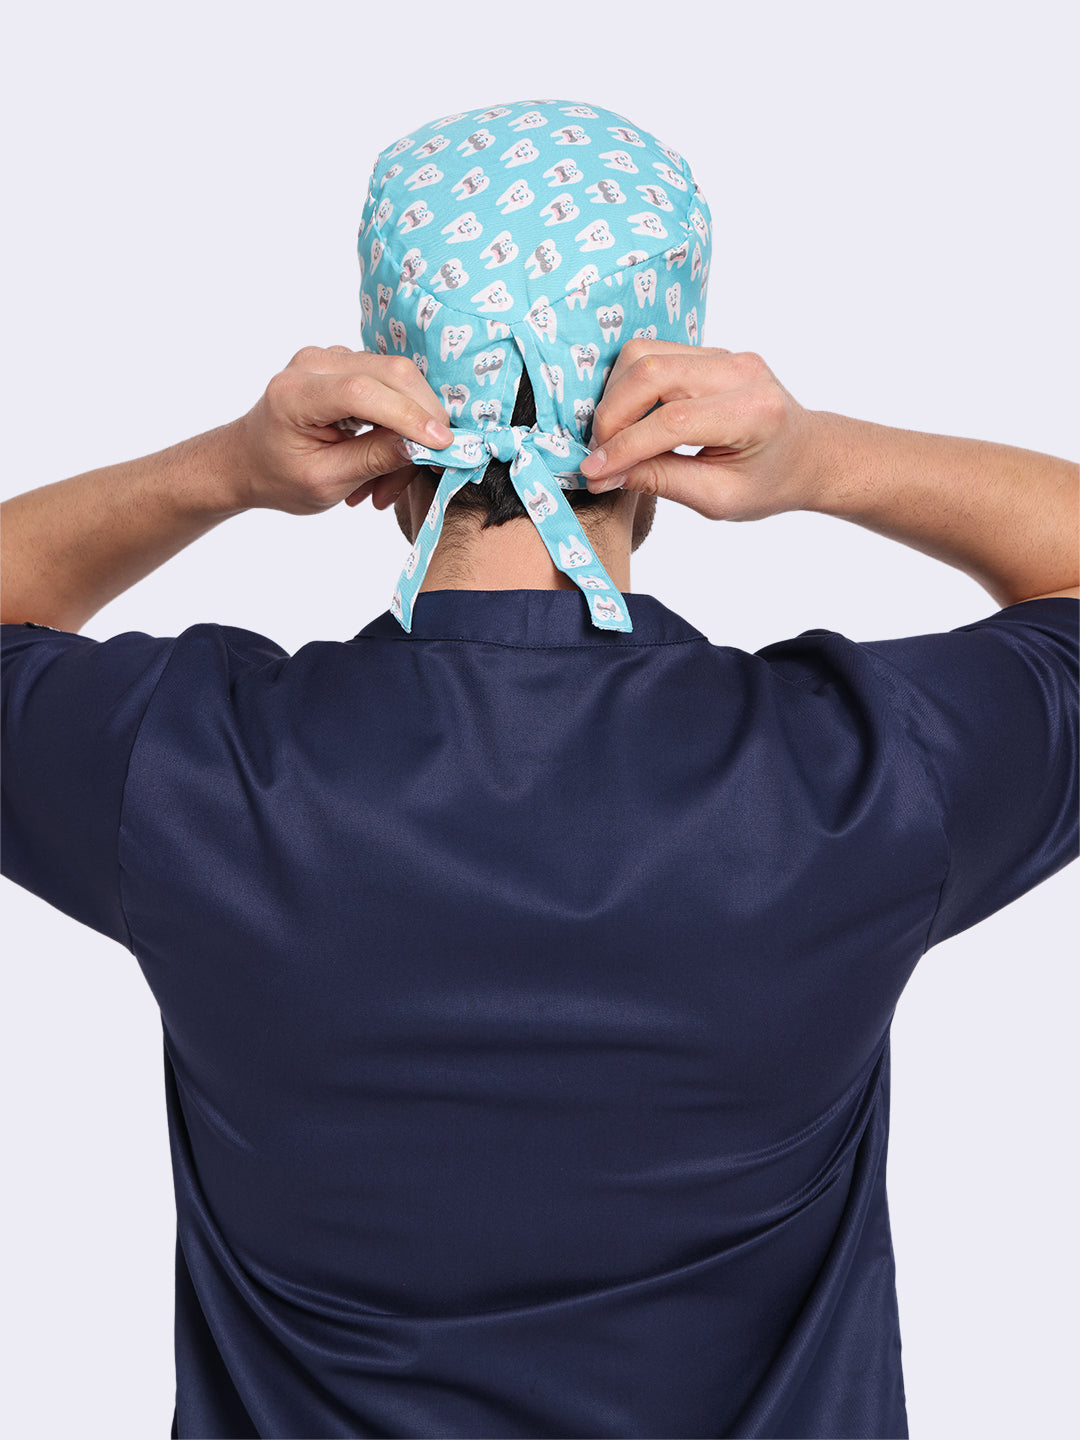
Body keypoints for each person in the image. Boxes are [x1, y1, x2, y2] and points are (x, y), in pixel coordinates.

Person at [1, 97, 1076, 1440]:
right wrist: (819, 459)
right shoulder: (848, 780)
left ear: (384, 420)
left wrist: (226, 467)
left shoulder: (195, 771)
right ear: (666, 414)